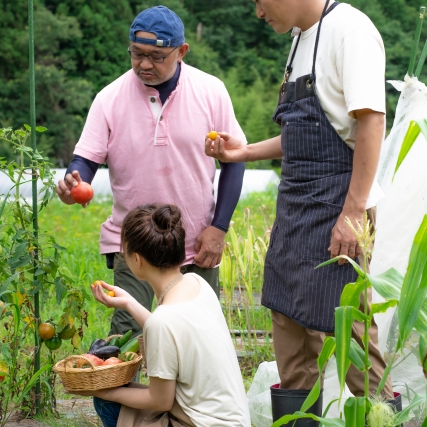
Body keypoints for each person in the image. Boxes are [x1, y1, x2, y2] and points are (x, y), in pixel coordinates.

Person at [204, 0, 402, 421]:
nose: (258, 12)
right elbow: (302, 130)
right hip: (295, 203)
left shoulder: (350, 31)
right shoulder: (299, 40)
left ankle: (384, 416)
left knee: (349, 332)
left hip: (339, 202)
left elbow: (370, 124)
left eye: (259, 1)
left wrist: (353, 211)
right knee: (287, 320)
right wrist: (244, 151)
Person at [55, 6, 246, 337]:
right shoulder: (109, 98)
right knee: (127, 337)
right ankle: (118, 389)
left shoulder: (210, 91)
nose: (144, 64)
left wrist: (218, 228)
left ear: (181, 51)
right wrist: (75, 181)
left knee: (200, 336)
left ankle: (181, 393)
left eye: (156, 56)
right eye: (137, 54)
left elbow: (234, 160)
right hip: (134, 244)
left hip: (196, 242)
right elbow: (85, 159)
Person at [73, 204, 251, 427]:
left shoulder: (163, 321)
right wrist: (129, 302)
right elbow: (172, 333)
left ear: (136, 260)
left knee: (108, 403)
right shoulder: (197, 284)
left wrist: (104, 392)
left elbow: (160, 400)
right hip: (233, 420)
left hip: (200, 423)